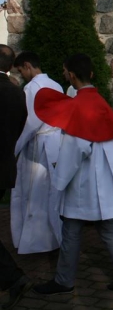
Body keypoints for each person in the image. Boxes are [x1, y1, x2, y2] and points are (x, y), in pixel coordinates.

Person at [32, 54, 113, 295]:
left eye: (64, 71)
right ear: (91, 74)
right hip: (101, 179)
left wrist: (59, 179)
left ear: (71, 75)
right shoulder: (99, 101)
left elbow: (76, 148)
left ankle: (63, 280)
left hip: (83, 182)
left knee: (71, 228)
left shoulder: (79, 105)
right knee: (107, 227)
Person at [11, 51, 63, 255]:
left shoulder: (32, 88)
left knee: (33, 194)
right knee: (51, 193)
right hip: (56, 142)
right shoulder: (56, 85)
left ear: (27, 65)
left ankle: (36, 242)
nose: (22, 75)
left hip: (38, 144)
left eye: (21, 70)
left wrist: (14, 147)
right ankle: (54, 239)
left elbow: (30, 123)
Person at [0, 44, 31, 310]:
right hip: (4, 166)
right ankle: (12, 278)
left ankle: (13, 277)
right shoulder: (16, 92)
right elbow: (19, 127)